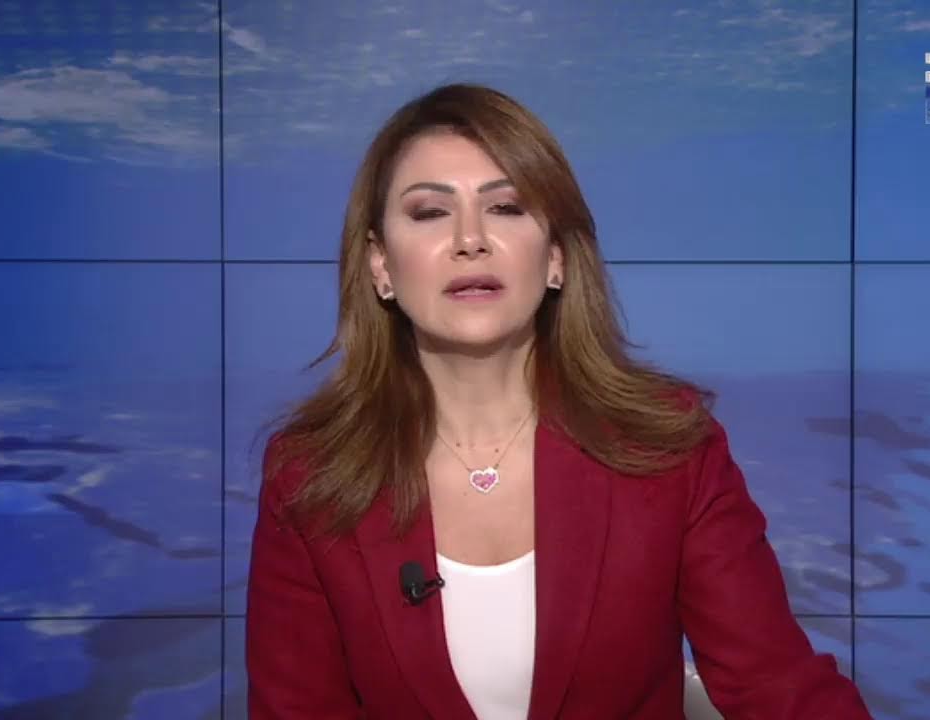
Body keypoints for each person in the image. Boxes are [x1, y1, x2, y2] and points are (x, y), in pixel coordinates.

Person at [245, 82, 873, 719]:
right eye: (430, 212)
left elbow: (778, 688)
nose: (470, 239)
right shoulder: (310, 478)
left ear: (556, 258)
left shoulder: (667, 450)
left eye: (506, 207)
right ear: (380, 265)